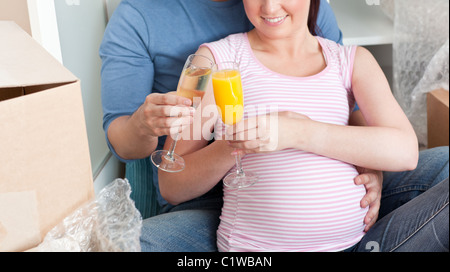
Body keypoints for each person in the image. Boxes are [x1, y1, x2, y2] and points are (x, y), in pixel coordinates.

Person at [99, 0, 449, 251]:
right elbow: (171, 183)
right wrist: (237, 142)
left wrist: (298, 132)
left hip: (357, 241)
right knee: (123, 243)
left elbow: (402, 150)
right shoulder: (216, 60)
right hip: (248, 241)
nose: (269, 7)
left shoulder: (351, 60)